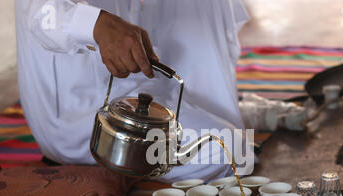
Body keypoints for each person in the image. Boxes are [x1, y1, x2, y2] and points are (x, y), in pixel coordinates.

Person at [15, 0, 249, 182]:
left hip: (141, 87)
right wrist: (99, 26)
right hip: (83, 117)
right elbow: (41, 12)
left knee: (230, 141)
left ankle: (208, 109)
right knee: (228, 151)